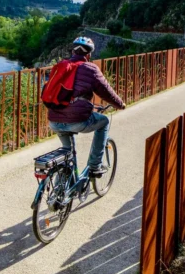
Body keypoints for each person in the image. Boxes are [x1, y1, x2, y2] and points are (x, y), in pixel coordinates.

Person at [47, 37, 126, 177]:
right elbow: (106, 91)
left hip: (54, 120)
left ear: (73, 52)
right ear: (89, 55)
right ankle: (95, 166)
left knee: (67, 153)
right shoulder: (90, 68)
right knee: (104, 122)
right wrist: (120, 104)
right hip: (77, 120)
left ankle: (62, 188)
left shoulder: (62, 66)